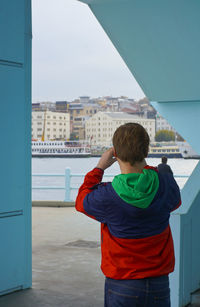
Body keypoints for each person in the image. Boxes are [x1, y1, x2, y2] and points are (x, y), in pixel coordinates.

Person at [75, 123, 181, 307]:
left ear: (115, 153)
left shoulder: (107, 196)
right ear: (146, 151)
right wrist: (162, 172)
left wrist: (99, 167)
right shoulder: (165, 184)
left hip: (122, 284)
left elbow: (81, 200)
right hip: (159, 283)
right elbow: (175, 201)